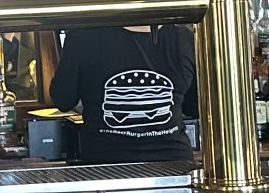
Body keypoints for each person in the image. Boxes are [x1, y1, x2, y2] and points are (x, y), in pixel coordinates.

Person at [48, 23, 197, 165]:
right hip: (175, 161)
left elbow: (63, 100)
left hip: (106, 164)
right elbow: (194, 108)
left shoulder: (83, 36)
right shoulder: (183, 39)